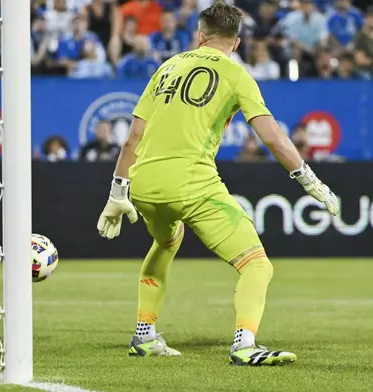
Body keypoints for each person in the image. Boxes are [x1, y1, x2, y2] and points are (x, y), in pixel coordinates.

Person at [96, 2, 340, 366]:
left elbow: (132, 137)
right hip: (191, 182)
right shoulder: (236, 74)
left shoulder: (167, 67)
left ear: (199, 35)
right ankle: (244, 344)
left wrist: (117, 192)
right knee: (257, 265)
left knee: (167, 240)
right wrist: (310, 179)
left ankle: (144, 336)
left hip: (143, 183)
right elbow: (271, 137)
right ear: (237, 42)